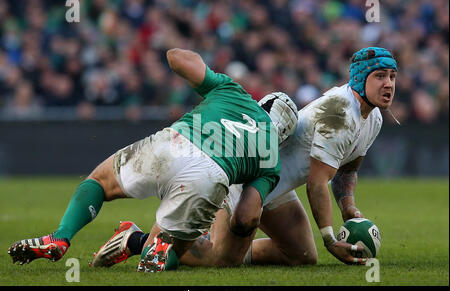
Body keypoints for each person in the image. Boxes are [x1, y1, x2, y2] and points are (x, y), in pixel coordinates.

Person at [90, 46, 397, 267]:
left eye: (393, 77)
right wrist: (331, 240)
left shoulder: (374, 118)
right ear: (360, 79)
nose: (389, 84)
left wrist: (349, 208)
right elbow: (317, 184)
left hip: (276, 188)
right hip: (249, 177)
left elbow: (346, 171)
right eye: (380, 76)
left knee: (301, 257)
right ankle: (135, 239)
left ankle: (232, 242)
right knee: (220, 259)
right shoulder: (340, 113)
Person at [7, 48, 300, 272]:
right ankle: (151, 248)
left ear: (261, 102)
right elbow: (247, 217)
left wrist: (190, 57)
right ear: (284, 134)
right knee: (174, 251)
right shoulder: (271, 155)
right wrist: (231, 226)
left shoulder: (234, 92)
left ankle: (61, 236)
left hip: (173, 144)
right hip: (210, 178)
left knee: (100, 181)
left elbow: (176, 58)